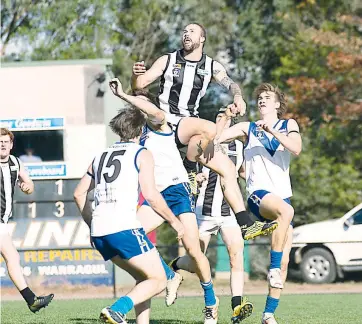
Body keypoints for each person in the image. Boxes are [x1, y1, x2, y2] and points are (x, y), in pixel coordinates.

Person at [131, 23, 277, 240]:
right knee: (208, 127)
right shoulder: (168, 60)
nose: (186, 34)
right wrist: (135, 75)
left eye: (192, 31)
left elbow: (230, 84)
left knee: (228, 169)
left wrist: (238, 97)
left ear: (202, 39)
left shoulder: (210, 66)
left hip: (190, 130)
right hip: (166, 126)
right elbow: (139, 85)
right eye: (184, 31)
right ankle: (190, 170)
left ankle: (245, 224)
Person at [109, 78, 219, 324]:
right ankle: (170, 275)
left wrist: (124, 95)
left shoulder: (161, 123)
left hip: (177, 191)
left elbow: (155, 111)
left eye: (142, 104)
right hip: (154, 196)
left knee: (192, 248)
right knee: (129, 235)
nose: (140, 109)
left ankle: (211, 301)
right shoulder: (137, 134)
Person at [74, 108, 185, 324]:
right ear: (142, 130)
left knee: (144, 279)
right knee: (160, 280)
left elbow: (78, 194)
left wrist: (91, 224)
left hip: (100, 233)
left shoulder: (100, 156)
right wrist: (175, 222)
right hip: (124, 228)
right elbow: (152, 196)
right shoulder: (141, 153)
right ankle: (117, 309)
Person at [218, 83, 302, 324]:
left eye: (267, 97)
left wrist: (273, 131)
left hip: (281, 199)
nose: (262, 100)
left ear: (277, 104)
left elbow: (296, 148)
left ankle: (268, 315)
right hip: (259, 196)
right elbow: (217, 137)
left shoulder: (289, 125)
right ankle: (272, 267)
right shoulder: (248, 127)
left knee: (285, 263)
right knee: (286, 212)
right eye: (260, 98)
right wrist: (226, 116)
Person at [168, 108, 253, 324]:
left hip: (229, 212)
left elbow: (243, 174)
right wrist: (195, 177)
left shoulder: (239, 147)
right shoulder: (202, 141)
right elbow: (186, 170)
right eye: (219, 117)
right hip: (203, 211)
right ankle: (177, 265)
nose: (223, 120)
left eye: (226, 117)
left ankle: (237, 306)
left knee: (236, 255)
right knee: (197, 260)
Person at [0, 128, 54, 313]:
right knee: (12, 257)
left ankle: (31, 300)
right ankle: (31, 300)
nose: (2, 144)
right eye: (0, 141)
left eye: (6, 141)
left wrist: (26, 187)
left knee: (12, 258)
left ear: (12, 145)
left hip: (3, 221)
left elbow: (29, 184)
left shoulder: (16, 162)